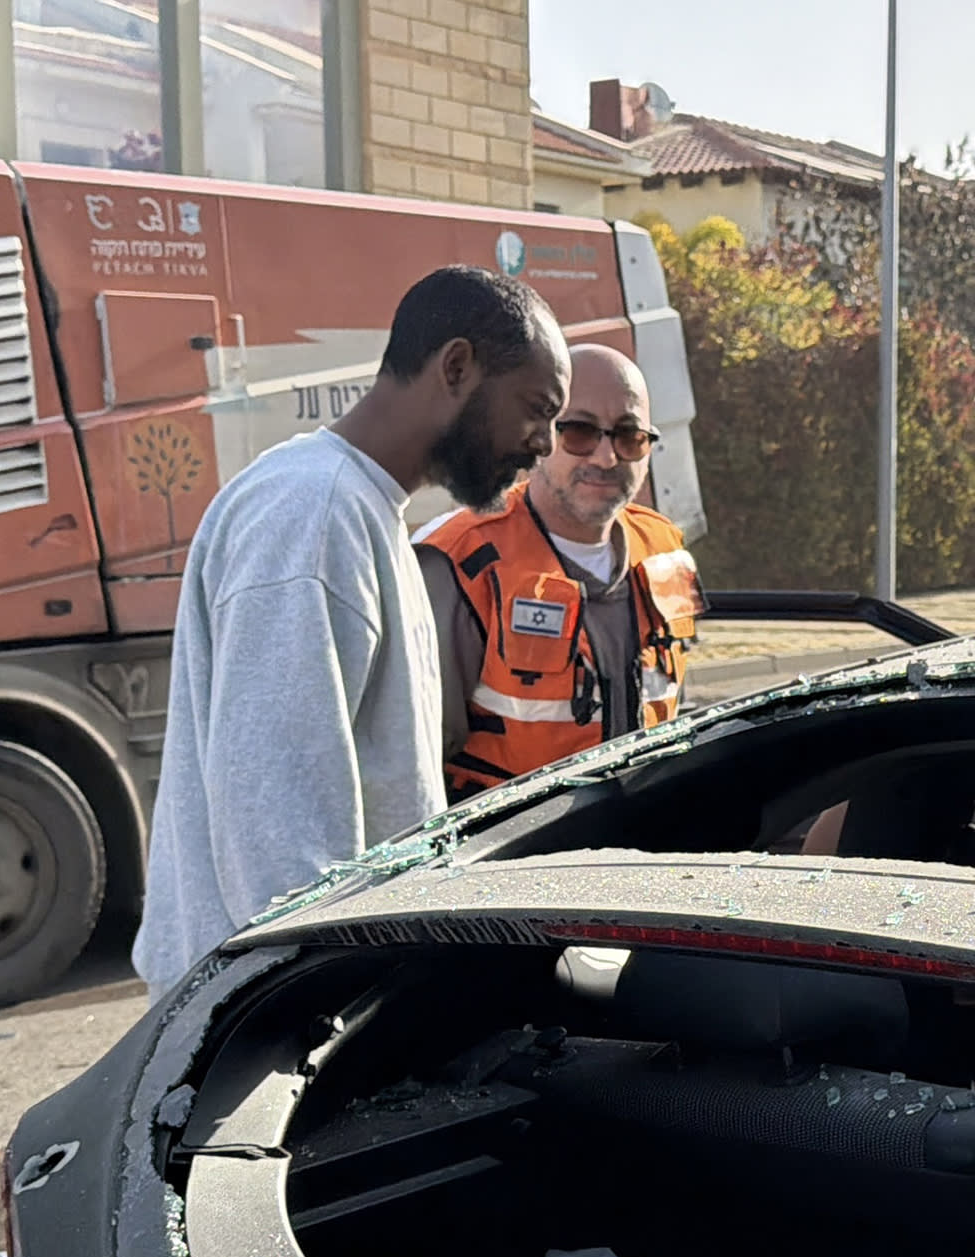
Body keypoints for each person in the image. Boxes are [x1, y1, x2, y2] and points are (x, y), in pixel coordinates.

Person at [132, 266, 570, 999]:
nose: (545, 443)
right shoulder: (312, 514)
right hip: (263, 1018)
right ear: (457, 366)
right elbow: (277, 834)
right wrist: (327, 1016)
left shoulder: (363, 513)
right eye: (537, 407)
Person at [418, 343, 706, 801]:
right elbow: (415, 770)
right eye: (580, 432)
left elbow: (673, 708)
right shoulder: (459, 562)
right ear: (538, 435)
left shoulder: (664, 551)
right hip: (511, 856)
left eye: (629, 436)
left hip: (645, 844)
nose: (606, 457)